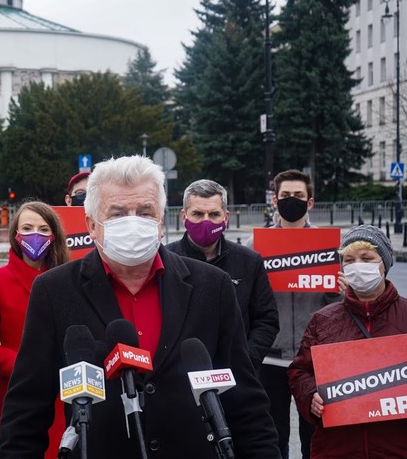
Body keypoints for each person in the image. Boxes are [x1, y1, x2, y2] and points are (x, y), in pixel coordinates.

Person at [0, 156, 280, 459]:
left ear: (161, 221)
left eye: (145, 212)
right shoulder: (54, 290)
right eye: (117, 213)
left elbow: (247, 404)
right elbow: (26, 412)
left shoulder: (212, 286)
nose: (133, 222)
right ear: (91, 225)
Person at [288, 225, 407, 458]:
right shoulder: (323, 320)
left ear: (384, 264)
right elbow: (299, 371)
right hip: (337, 448)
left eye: (366, 258)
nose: (357, 265)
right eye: (349, 260)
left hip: (396, 446)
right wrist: (310, 396)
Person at [0, 201, 71, 459]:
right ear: (16, 234)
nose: (35, 235)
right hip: (16, 389)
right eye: (28, 228)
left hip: (62, 391)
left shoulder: (68, 279)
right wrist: (26, 364)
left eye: (43, 229)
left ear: (54, 235)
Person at [257, 169, 337, 459]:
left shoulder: (328, 247)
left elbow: (338, 307)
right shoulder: (256, 248)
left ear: (310, 202)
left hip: (313, 360)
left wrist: (337, 288)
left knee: (314, 440)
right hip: (270, 358)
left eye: (298, 196)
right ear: (275, 201)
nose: (292, 200)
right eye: (286, 195)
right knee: (272, 438)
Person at [167, 179, 279, 369]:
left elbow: (267, 319)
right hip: (179, 376)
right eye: (197, 214)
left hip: (236, 375)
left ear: (226, 217)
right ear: (184, 216)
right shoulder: (166, 260)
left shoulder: (249, 261)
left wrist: (246, 362)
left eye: (214, 214)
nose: (206, 221)